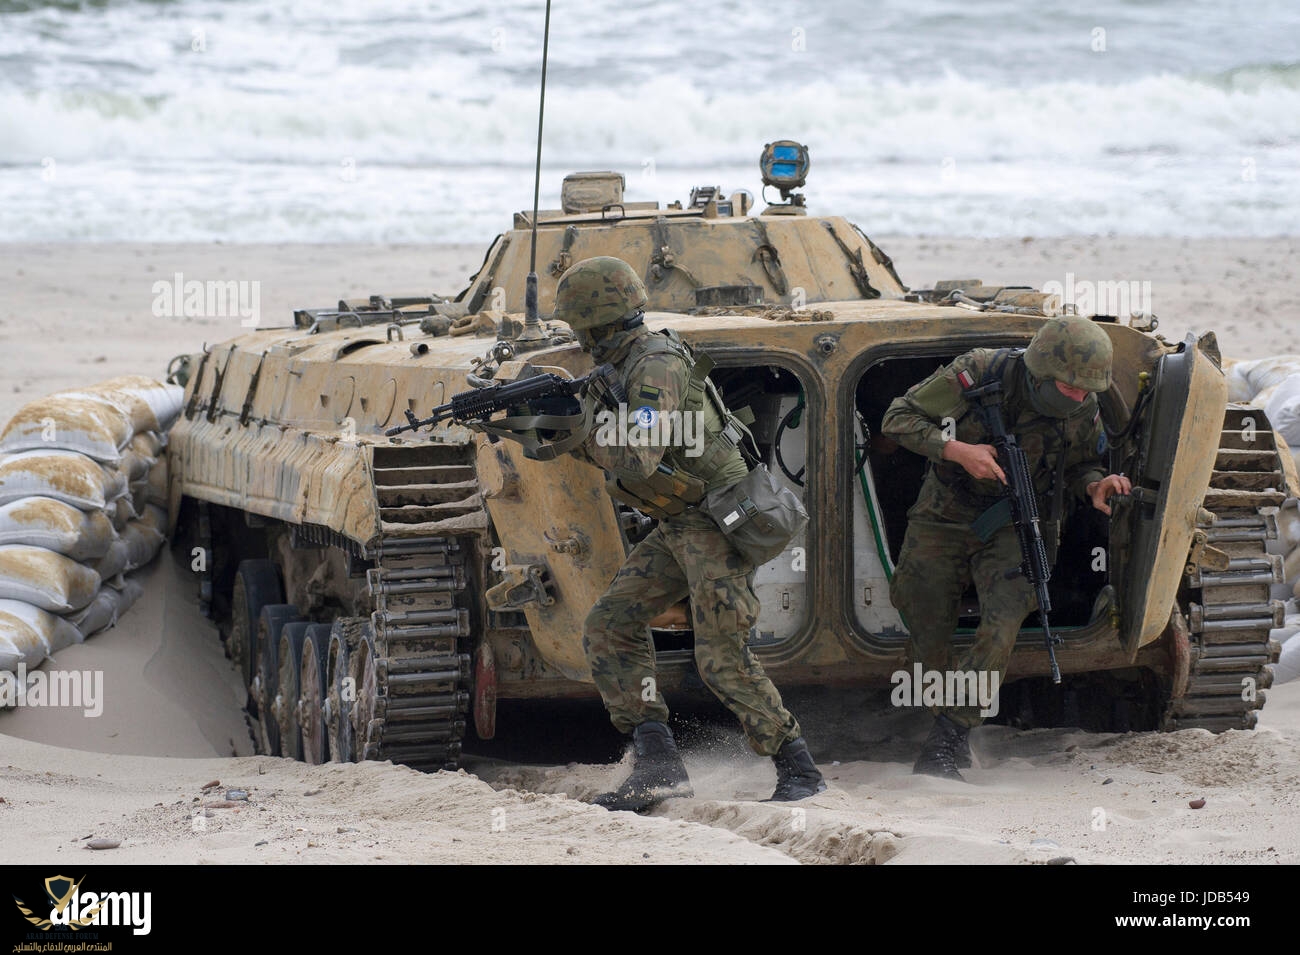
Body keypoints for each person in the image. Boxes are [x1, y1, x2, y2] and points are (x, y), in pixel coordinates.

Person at [548, 255, 826, 812]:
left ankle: (798, 765)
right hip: (682, 522)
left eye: (579, 328)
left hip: (716, 522)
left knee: (721, 655)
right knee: (612, 623)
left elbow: (637, 458)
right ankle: (658, 762)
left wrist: (568, 432)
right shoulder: (622, 363)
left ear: (593, 324)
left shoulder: (654, 368)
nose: (577, 338)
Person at [881, 317, 1131, 781]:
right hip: (945, 514)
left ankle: (949, 737)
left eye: (1085, 391)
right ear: (1042, 370)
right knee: (922, 614)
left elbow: (1083, 465)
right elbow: (897, 418)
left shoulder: (1083, 407)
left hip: (1017, 522)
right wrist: (957, 450)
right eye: (1070, 387)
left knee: (1003, 623)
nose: (1079, 397)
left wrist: (1097, 485)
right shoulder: (978, 371)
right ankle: (941, 709)